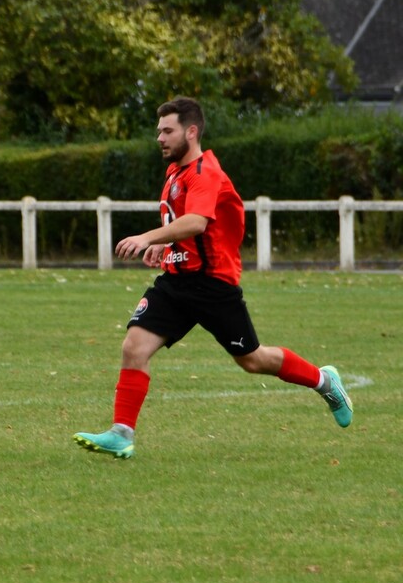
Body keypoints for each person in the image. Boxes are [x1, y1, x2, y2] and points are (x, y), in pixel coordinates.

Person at [73, 96, 352, 459]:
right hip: (176, 283)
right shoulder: (175, 172)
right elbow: (184, 224)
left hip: (213, 285)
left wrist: (146, 238)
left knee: (252, 360)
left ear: (191, 132)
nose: (160, 138)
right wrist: (165, 245)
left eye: (167, 131)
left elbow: (197, 222)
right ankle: (121, 433)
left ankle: (325, 381)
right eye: (159, 131)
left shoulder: (206, 172)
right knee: (134, 347)